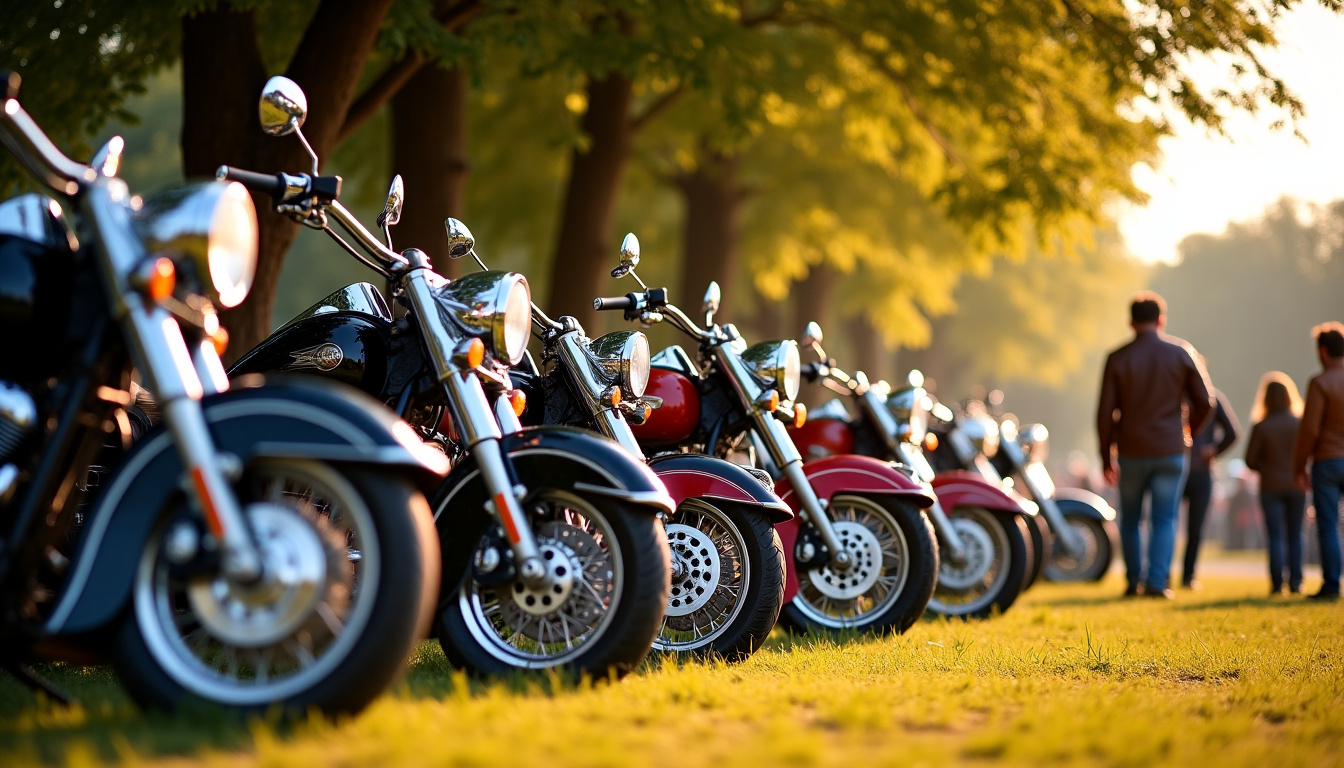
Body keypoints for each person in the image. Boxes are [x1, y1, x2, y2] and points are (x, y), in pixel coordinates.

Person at [1097, 292, 1213, 599]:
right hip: (1171, 450)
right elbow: (1206, 401)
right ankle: (1157, 583)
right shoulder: (1181, 353)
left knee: (1131, 517)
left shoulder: (1117, 358)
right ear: (1161, 320)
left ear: (1131, 322)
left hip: (1132, 450)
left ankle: (1133, 580)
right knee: (1165, 518)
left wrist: (1105, 455)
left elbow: (1105, 412)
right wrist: (1189, 430)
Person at [1291, 321, 1344, 601]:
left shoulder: (1320, 382)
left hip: (1328, 461)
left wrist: (1299, 466)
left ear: (1323, 351)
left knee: (1328, 525)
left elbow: (1310, 428)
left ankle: (1332, 585)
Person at [1244, 373, 1305, 595]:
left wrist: (1267, 468)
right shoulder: (1300, 423)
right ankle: (1297, 581)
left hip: (1270, 486)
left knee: (1276, 536)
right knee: (1296, 534)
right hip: (1297, 484)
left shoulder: (1262, 426)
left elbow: (1250, 460)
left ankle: (1277, 583)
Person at [1179, 385, 1240, 590]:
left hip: (1195, 471)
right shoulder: (1209, 397)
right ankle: (1179, 576)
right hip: (1184, 471)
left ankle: (1183, 575)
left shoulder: (1212, 398)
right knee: (1179, 526)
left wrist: (1214, 451)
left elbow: (1232, 433)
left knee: (1188, 527)